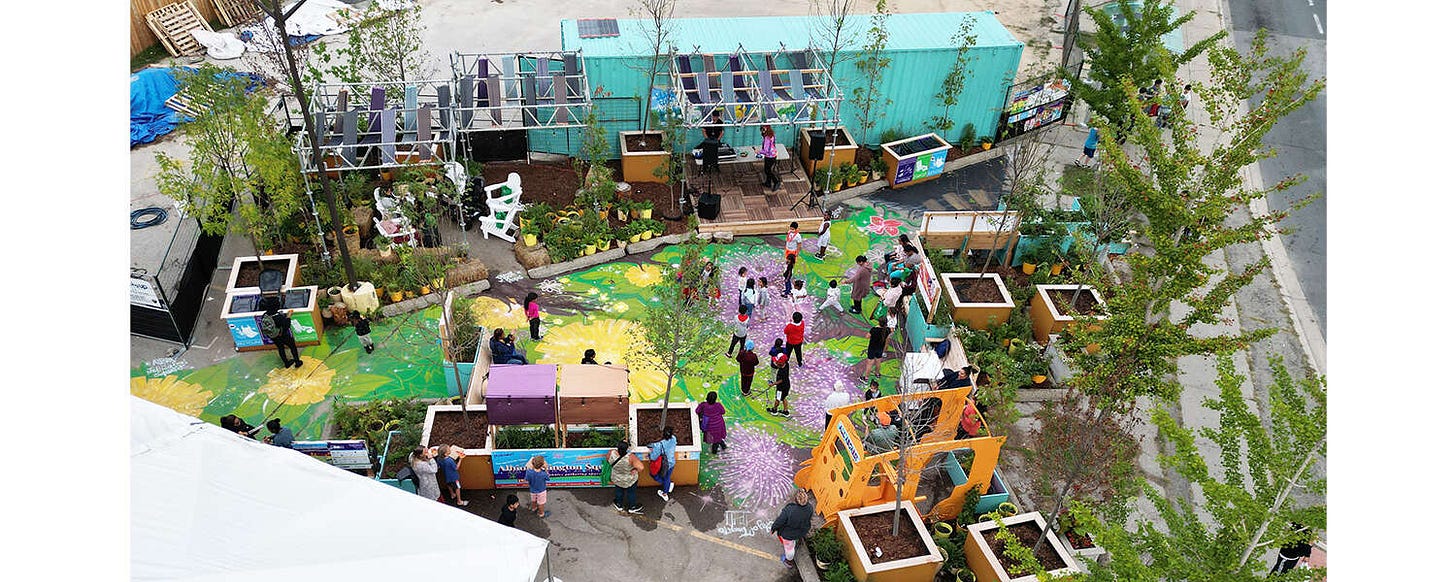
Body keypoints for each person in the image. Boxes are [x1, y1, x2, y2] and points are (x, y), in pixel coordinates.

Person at [770, 488, 814, 569]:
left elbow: (780, 521)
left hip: (789, 534)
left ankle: (788, 561)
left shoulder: (789, 510)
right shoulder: (810, 508)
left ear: (796, 500)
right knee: (793, 542)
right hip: (802, 530)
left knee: (789, 549)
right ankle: (797, 542)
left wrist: (773, 528)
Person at [607, 441, 645, 514]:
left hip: (616, 478)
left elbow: (608, 460)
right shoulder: (631, 457)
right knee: (631, 493)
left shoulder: (611, 453)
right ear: (627, 449)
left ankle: (619, 505)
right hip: (629, 479)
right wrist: (635, 470)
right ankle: (632, 507)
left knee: (619, 491)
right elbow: (641, 467)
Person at [648, 427, 678, 500]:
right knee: (667, 477)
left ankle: (665, 493)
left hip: (664, 465)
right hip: (672, 463)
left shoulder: (660, 445)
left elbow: (653, 457)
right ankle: (667, 485)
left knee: (653, 475)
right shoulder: (673, 438)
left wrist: (650, 453)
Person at [697, 109, 725, 174]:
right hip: (708, 139)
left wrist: (717, 140)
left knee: (715, 154)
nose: (715, 118)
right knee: (706, 153)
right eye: (714, 116)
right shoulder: (708, 121)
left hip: (716, 139)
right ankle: (705, 167)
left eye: (716, 117)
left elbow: (722, 132)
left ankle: (715, 166)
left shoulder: (720, 122)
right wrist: (707, 139)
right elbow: (703, 130)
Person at [758, 125, 781, 190]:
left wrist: (758, 151)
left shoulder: (767, 138)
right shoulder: (772, 135)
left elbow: (765, 150)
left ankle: (776, 182)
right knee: (767, 169)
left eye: (762, 130)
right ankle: (768, 183)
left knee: (767, 170)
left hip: (770, 156)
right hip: (773, 154)